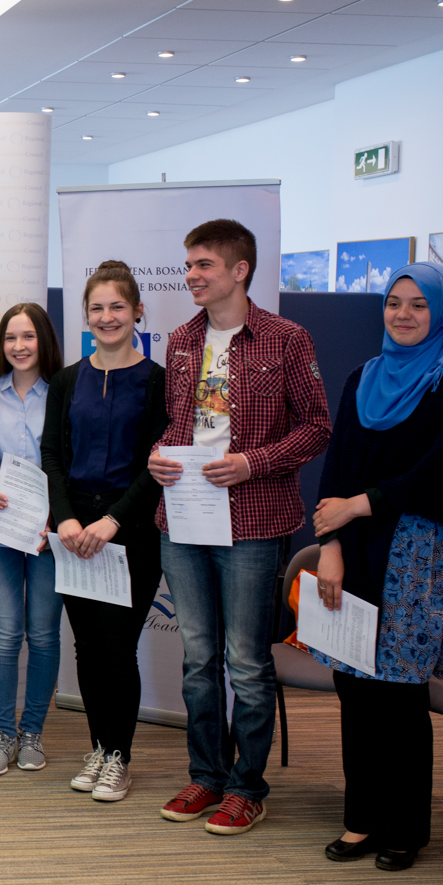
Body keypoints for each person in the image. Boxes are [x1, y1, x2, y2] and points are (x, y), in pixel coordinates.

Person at [149, 219, 330, 835]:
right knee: (199, 659)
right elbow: (177, 425)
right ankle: (207, 777)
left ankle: (247, 788)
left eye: (203, 265)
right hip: (184, 516)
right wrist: (158, 454)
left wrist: (255, 462)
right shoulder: (178, 340)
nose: (192, 276)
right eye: (189, 265)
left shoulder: (285, 339)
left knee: (247, 662)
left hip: (253, 521)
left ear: (239, 270)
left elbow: (317, 428)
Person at [311, 263, 443, 871]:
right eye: (393, 303)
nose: (403, 314)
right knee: (354, 687)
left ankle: (405, 825)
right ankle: (361, 818)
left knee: (400, 695)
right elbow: (336, 465)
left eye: (417, 305)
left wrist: (362, 504)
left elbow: (439, 468)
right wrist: (329, 545)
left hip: (416, 553)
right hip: (354, 548)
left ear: (440, 314)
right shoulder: (363, 376)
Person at [42, 261, 167, 803]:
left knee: (118, 648)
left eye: (118, 306)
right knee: (88, 648)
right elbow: (52, 454)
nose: (107, 316)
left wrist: (113, 520)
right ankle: (97, 746)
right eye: (97, 307)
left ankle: (118, 756)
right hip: (72, 530)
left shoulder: (158, 380)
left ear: (138, 311)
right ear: (85, 316)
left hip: (131, 527)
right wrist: (65, 517)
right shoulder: (69, 380)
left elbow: (158, 465)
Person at [0, 302, 66, 775]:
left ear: (43, 340)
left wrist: (62, 514)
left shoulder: (66, 390)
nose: (19, 347)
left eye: (28, 337)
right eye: (10, 338)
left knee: (45, 635)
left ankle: (32, 733)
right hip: (2, 531)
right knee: (5, 633)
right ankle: (2, 735)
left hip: (52, 533)